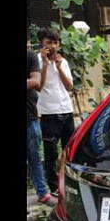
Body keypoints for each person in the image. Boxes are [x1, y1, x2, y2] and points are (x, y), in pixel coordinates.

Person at [36, 27, 75, 196]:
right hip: (49, 112)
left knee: (69, 149)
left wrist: (58, 67)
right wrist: (45, 64)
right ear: (42, 44)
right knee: (51, 152)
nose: (52, 46)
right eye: (48, 43)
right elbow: (39, 86)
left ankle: (69, 182)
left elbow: (69, 86)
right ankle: (53, 187)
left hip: (66, 109)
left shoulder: (63, 62)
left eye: (55, 42)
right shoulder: (36, 61)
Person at [27, 46, 57, 207]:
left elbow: (36, 81)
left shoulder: (29, 56)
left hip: (29, 117)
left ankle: (43, 194)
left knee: (34, 158)